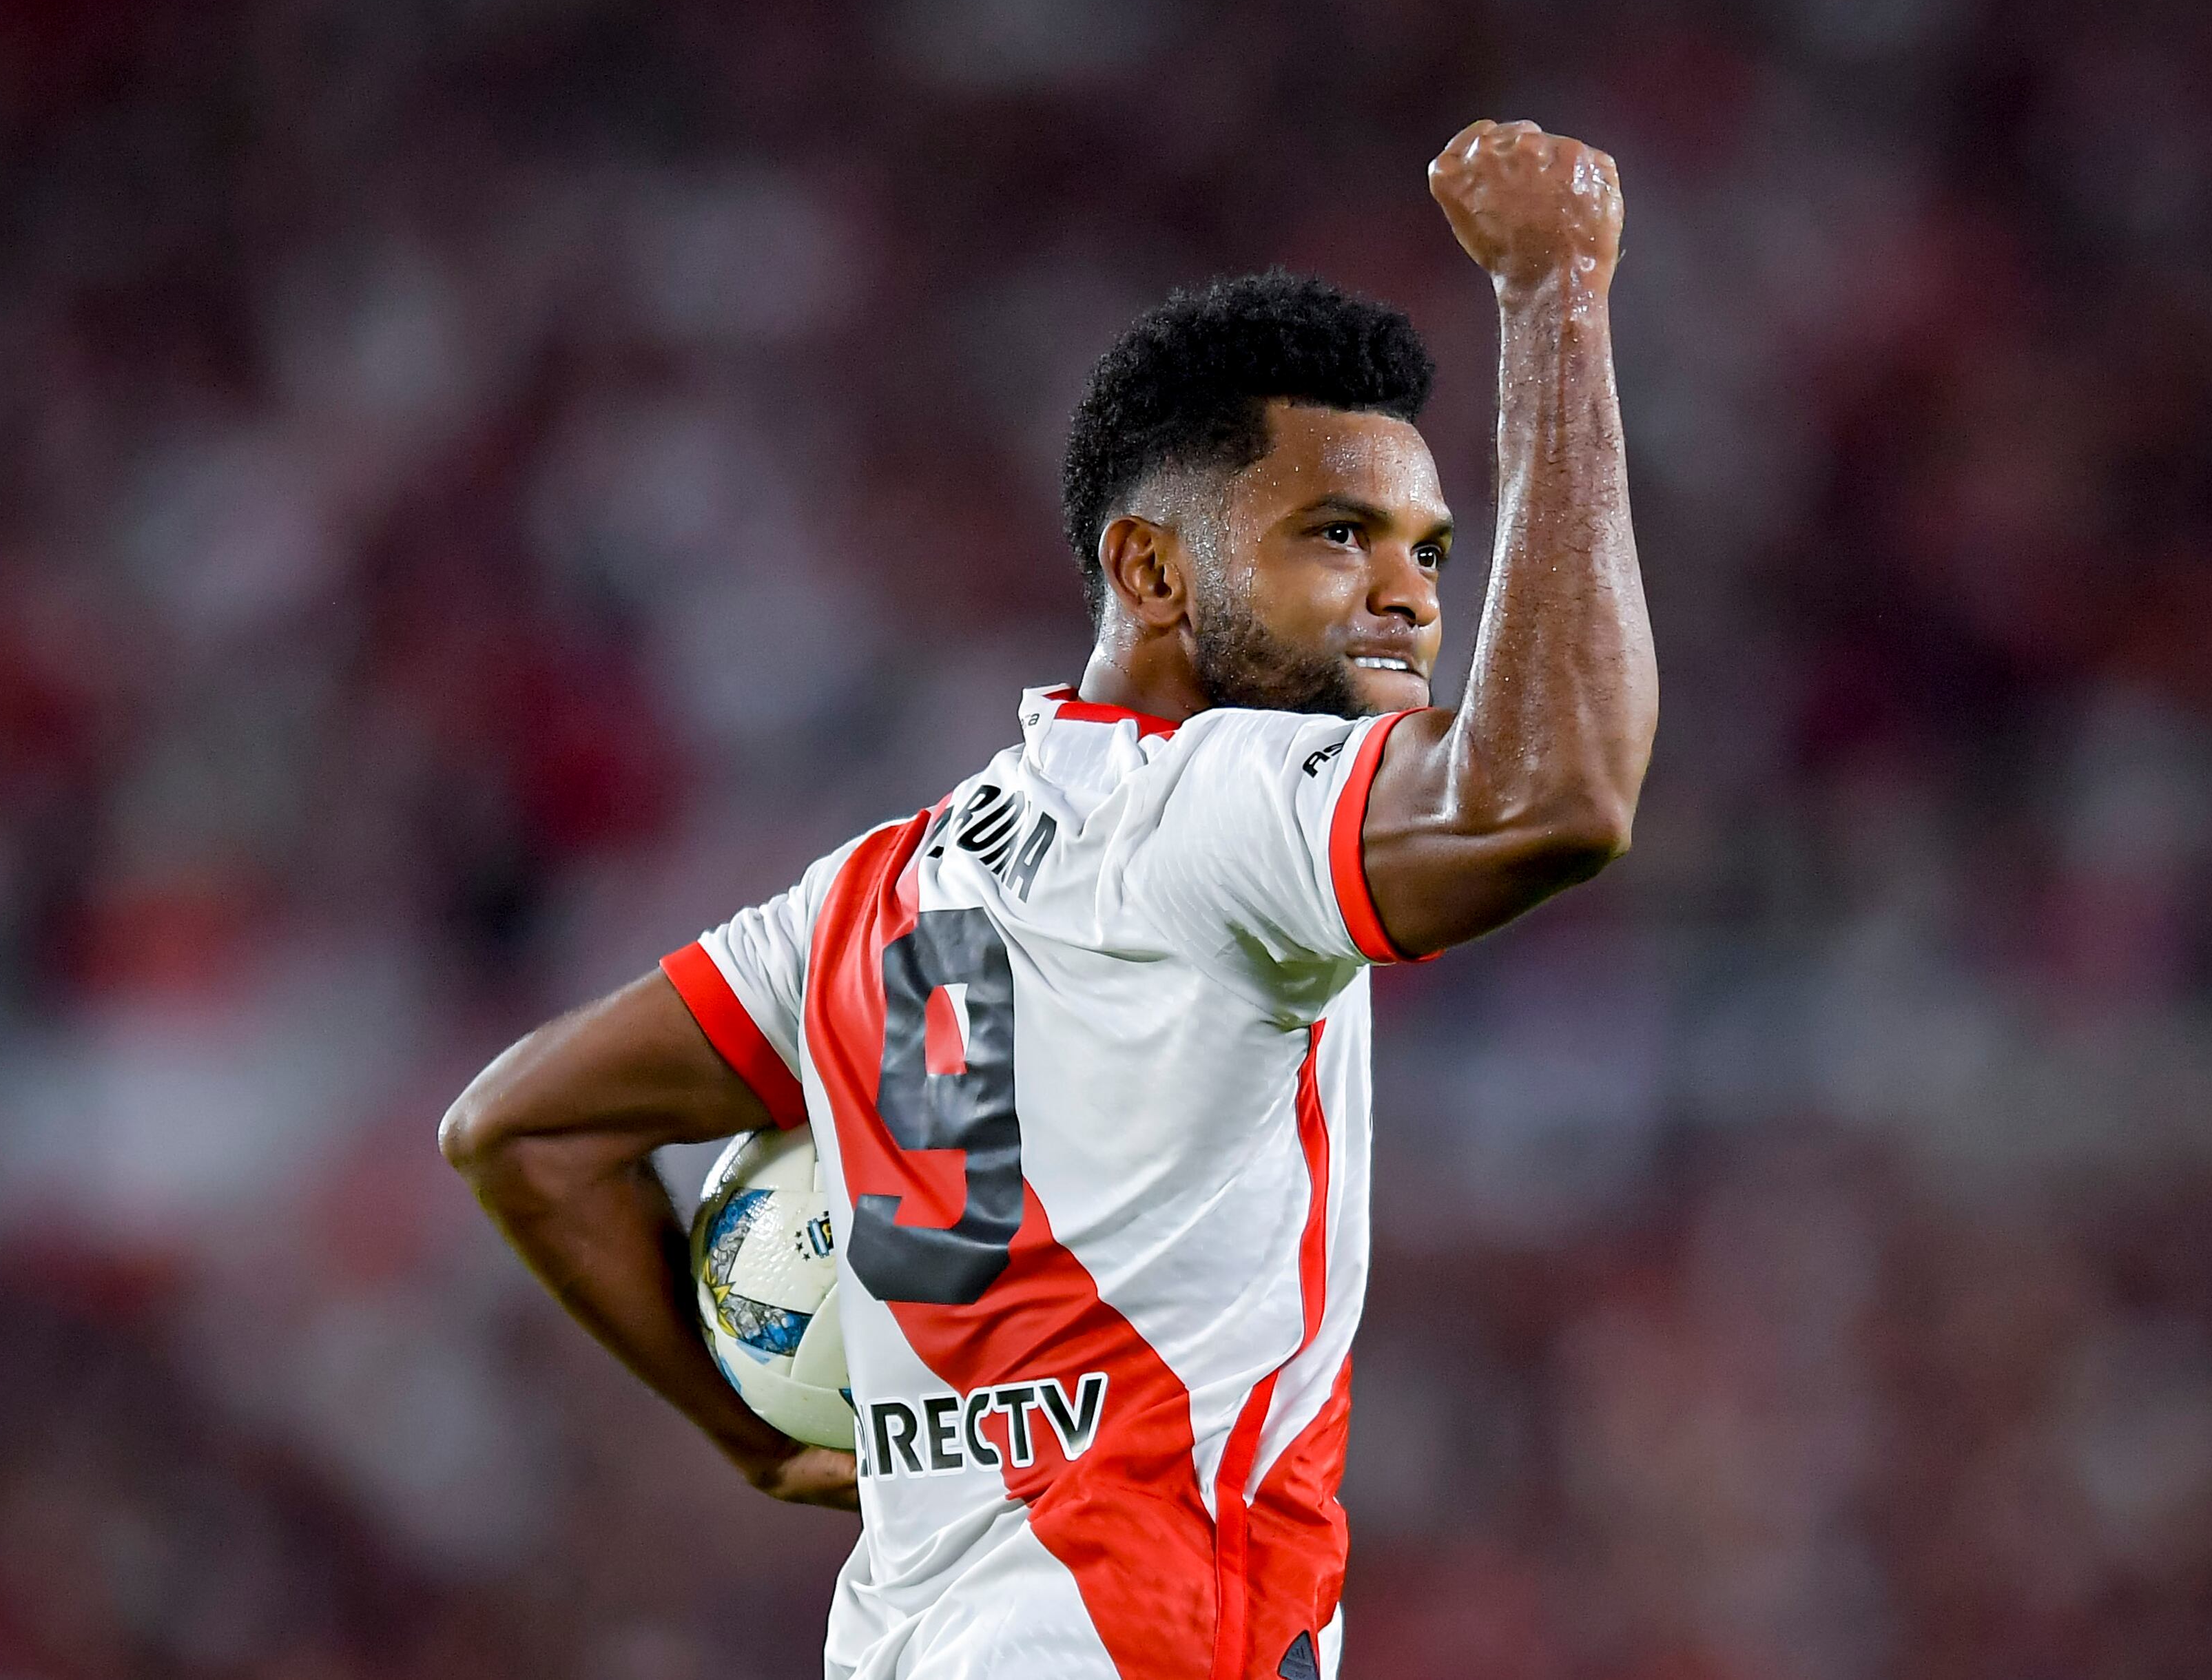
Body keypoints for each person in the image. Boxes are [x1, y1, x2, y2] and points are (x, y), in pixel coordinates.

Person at [440, 118, 1653, 1680]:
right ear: (1150, 575)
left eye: (1429, 545)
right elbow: (1551, 797)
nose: (1413, 593)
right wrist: (1556, 295)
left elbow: (522, 1134)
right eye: (1336, 538)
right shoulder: (1209, 809)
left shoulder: (868, 894)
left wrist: (748, 1435)